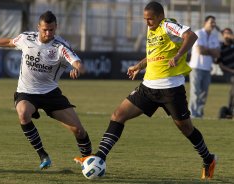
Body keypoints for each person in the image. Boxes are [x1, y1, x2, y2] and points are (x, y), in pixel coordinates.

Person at [74, 1, 217, 180]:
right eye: (145, 19)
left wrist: (179, 55)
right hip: (148, 87)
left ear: (159, 16)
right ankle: (99, 158)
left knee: (185, 127)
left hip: (170, 89)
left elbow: (191, 36)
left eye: (150, 19)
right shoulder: (151, 29)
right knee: (118, 115)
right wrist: (138, 66)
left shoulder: (167, 25)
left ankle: (208, 159)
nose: (147, 22)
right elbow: (153, 55)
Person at [0, 11, 92, 170]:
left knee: (79, 130)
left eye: (52, 30)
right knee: (23, 112)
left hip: (51, 93)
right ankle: (43, 155)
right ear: (38, 27)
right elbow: (9, 42)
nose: (48, 33)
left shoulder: (61, 46)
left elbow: (79, 64)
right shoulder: (27, 38)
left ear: (56, 28)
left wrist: (77, 69)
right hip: (26, 92)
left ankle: (88, 160)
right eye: (45, 30)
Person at [188, 16, 220, 118]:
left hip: (207, 68)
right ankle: (192, 114)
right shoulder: (198, 33)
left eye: (214, 23)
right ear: (205, 23)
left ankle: (199, 114)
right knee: (195, 92)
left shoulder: (214, 36)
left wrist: (207, 50)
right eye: (211, 22)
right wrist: (211, 51)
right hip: (196, 67)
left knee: (204, 94)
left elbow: (217, 54)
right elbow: (200, 51)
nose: (213, 24)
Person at [216, 28, 234, 118]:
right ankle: (231, 109)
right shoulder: (220, 46)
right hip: (228, 72)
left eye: (229, 33)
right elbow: (220, 65)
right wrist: (231, 71)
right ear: (222, 35)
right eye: (226, 33)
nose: (228, 35)